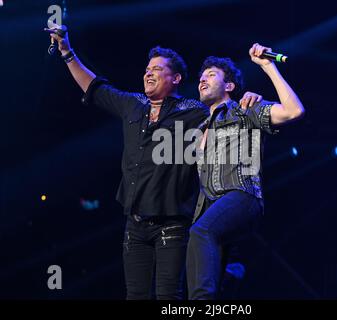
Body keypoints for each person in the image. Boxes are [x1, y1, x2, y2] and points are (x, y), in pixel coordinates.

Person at [45, 25, 261, 300]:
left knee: (168, 297)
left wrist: (251, 98)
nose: (148, 72)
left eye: (157, 69)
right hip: (134, 224)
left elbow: (224, 107)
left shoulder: (193, 111)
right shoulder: (133, 105)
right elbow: (95, 87)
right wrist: (67, 52)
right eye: (147, 68)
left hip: (173, 224)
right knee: (135, 296)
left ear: (175, 78)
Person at [186, 43, 305, 300]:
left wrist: (267, 66)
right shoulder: (201, 127)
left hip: (243, 196)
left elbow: (294, 111)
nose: (202, 80)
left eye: (211, 75)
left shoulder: (244, 108)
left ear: (229, 86)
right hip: (214, 206)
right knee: (206, 262)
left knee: (200, 232)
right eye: (201, 77)